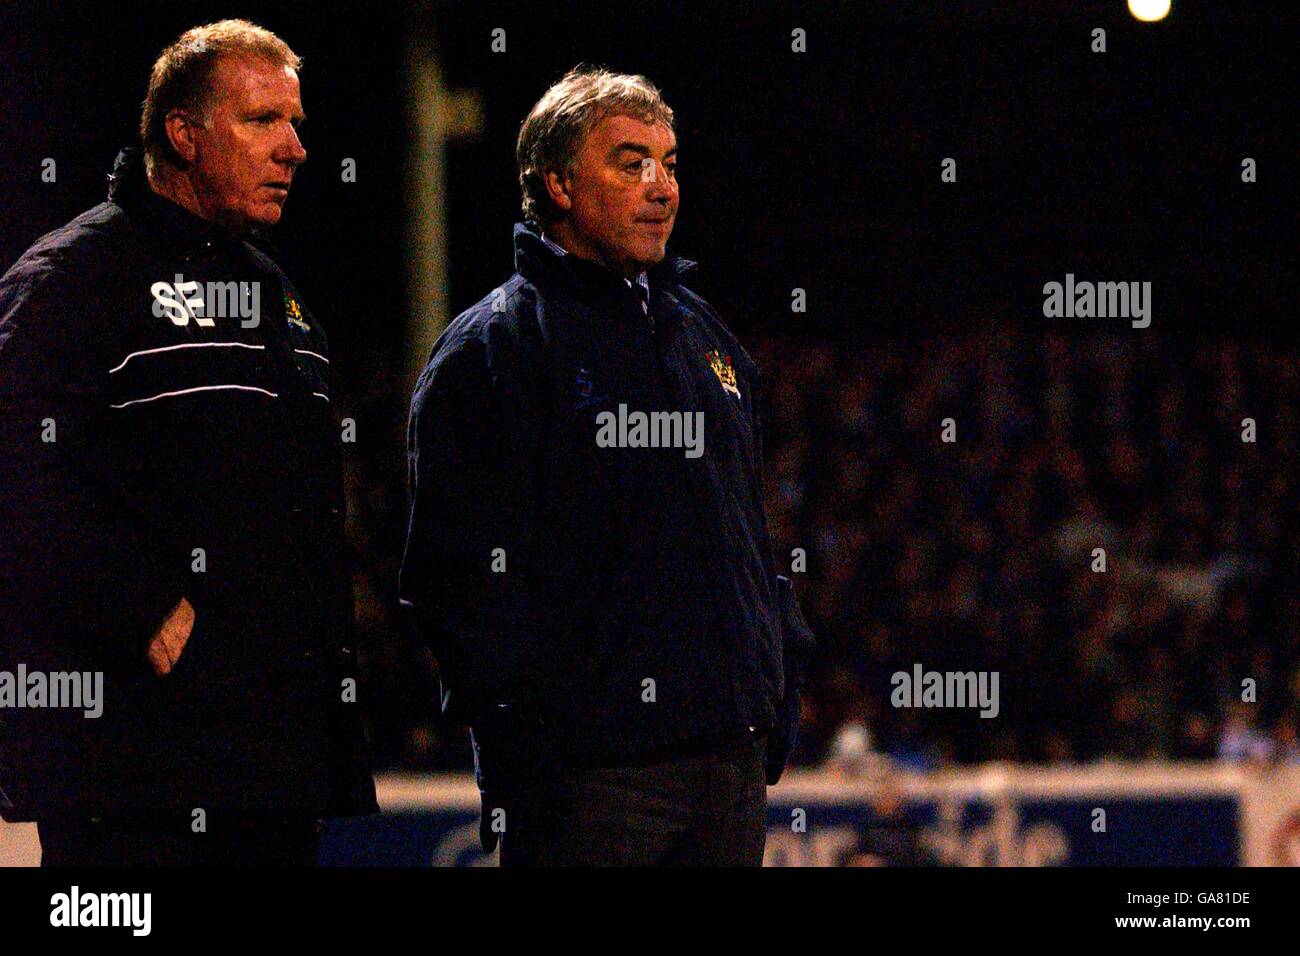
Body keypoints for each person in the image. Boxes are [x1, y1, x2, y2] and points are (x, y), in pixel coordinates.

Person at [400, 66, 815, 866]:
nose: (662, 187)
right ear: (557, 183)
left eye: (669, 163)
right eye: (631, 163)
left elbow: (750, 535)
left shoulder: (706, 339)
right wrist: (533, 751)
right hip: (590, 784)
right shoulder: (494, 351)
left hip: (728, 766)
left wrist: (775, 686)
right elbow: (453, 580)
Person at [0, 19, 376, 866]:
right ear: (182, 133)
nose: (295, 149)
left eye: (298, 125)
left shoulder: (276, 293)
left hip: (271, 769)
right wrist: (132, 603)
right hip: (137, 775)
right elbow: (16, 467)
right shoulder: (73, 279)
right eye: (263, 121)